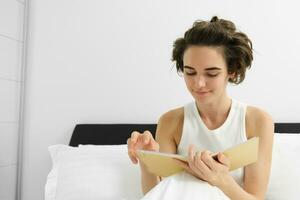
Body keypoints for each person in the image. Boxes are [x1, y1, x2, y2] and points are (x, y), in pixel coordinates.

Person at [127, 16, 274, 200]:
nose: (199, 83)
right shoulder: (170, 122)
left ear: (232, 70)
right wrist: (145, 158)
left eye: (211, 73)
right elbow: (157, 194)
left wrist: (220, 179)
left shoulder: (257, 121)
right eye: (190, 72)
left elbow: (256, 197)